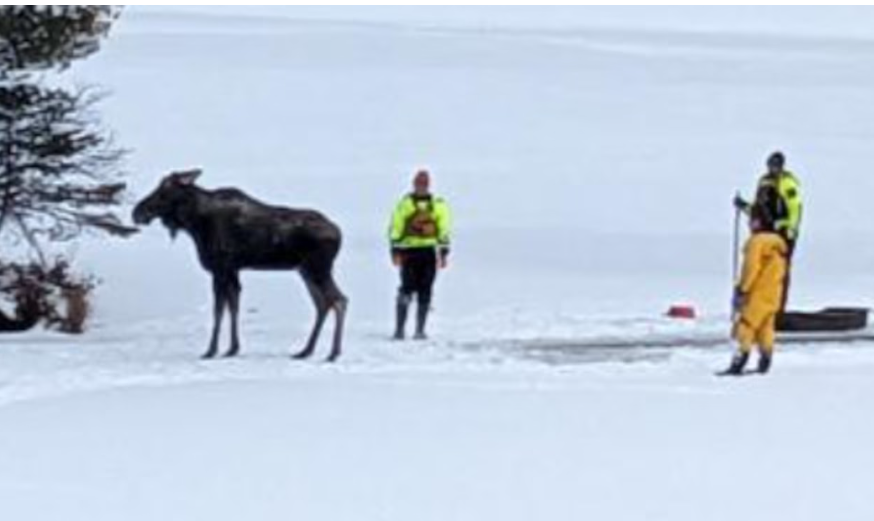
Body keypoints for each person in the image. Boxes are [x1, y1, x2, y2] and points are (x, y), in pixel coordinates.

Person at [721, 205, 788, 375]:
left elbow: (751, 268)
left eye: (751, 221)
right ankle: (765, 361)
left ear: (757, 223)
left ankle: (738, 362)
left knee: (746, 326)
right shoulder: (777, 244)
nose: (749, 224)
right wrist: (742, 205)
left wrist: (742, 289)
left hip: (757, 293)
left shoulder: (756, 242)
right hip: (773, 294)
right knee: (766, 327)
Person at [733, 151, 802, 311]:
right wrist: (743, 206)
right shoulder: (764, 182)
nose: (773, 169)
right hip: (763, 234)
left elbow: (795, 208)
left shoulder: (787, 183)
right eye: (771, 165)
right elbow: (758, 210)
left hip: (782, 234)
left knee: (778, 271)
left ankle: (777, 309)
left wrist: (790, 228)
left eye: (776, 165)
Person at [388, 169, 452, 340]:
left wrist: (444, 252)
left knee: (426, 290)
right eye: (419, 182)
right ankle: (399, 330)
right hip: (409, 252)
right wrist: (395, 250)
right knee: (406, 289)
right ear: (414, 184)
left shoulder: (438, 204)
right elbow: (396, 226)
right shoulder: (405, 204)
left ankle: (419, 330)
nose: (421, 186)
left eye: (424, 183)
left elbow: (444, 228)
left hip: (428, 253)